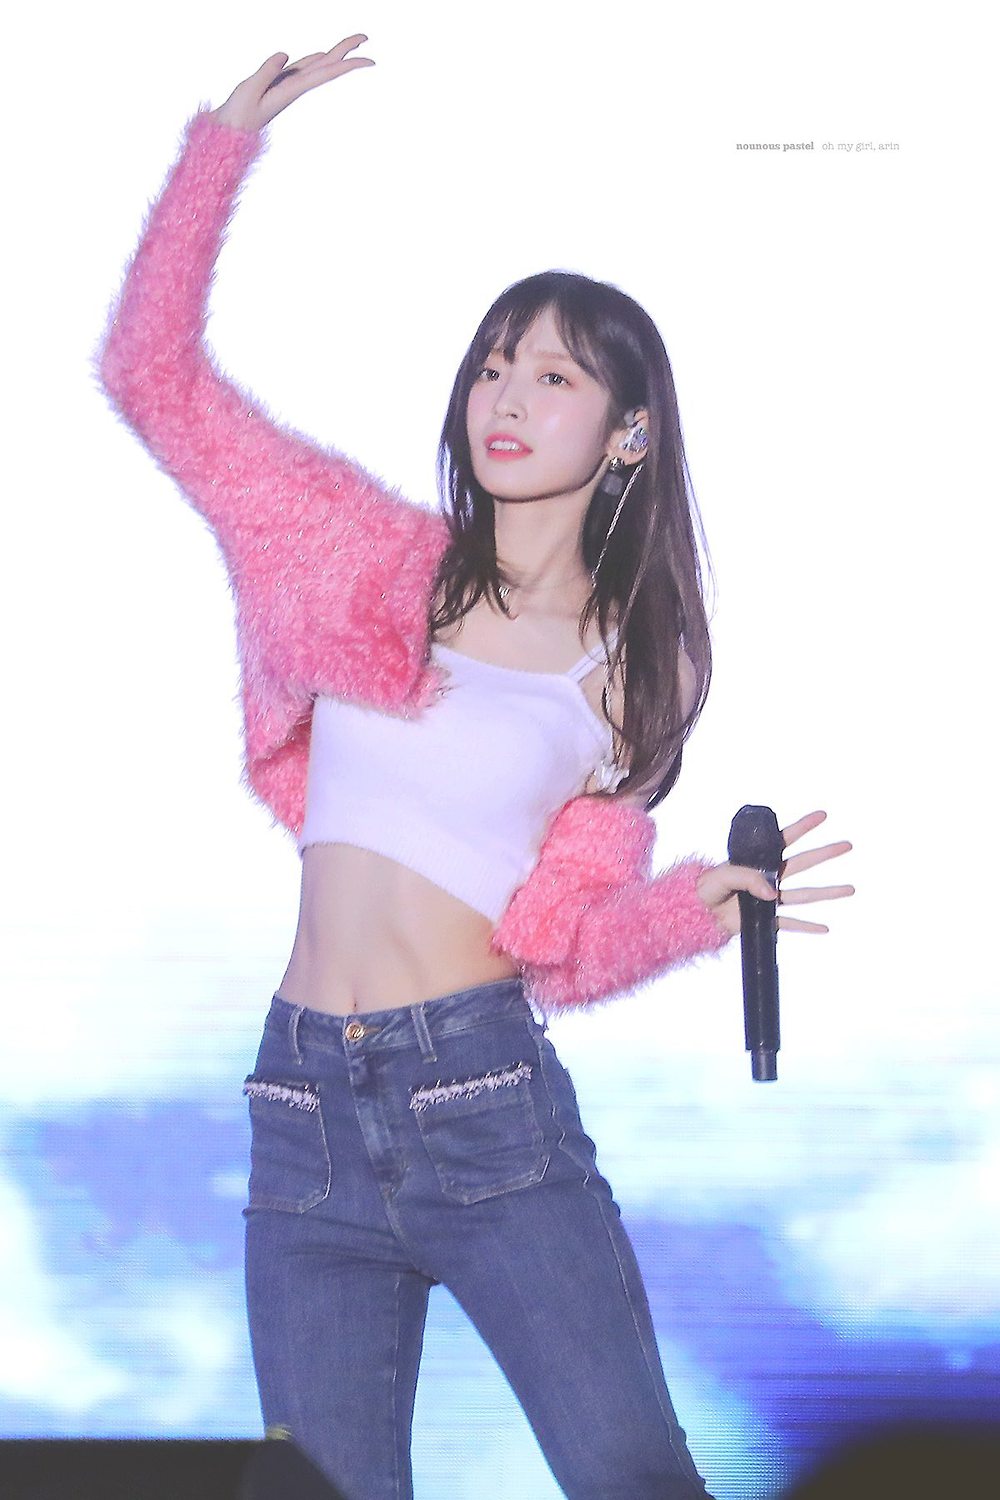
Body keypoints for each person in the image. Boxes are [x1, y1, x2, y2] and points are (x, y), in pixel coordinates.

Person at [95, 35, 854, 1500]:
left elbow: (558, 945)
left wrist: (697, 904)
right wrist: (221, 148)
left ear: (628, 431)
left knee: (634, 1478)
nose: (506, 394)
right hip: (301, 1110)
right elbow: (153, 380)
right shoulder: (359, 549)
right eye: (494, 365)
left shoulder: (630, 670)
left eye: (554, 374)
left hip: (484, 1105)